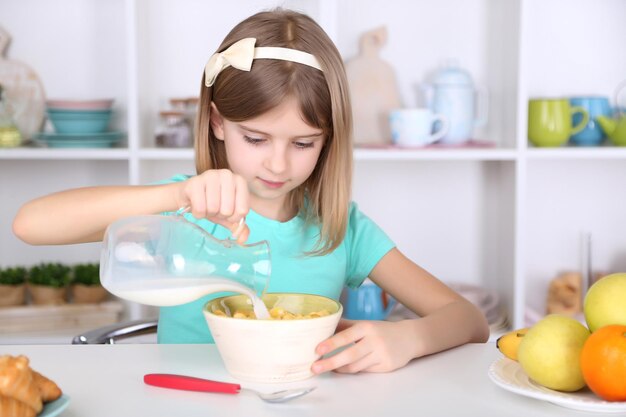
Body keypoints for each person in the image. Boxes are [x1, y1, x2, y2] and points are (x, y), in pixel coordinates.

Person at [12, 9, 489, 374]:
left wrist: (407, 339)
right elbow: (29, 225)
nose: (277, 164)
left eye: (303, 143)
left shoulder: (342, 228)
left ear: (329, 140)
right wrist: (175, 197)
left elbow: (469, 320)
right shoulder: (188, 207)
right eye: (256, 139)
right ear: (217, 121)